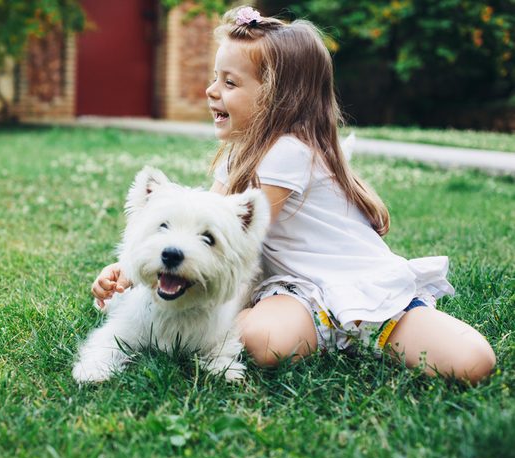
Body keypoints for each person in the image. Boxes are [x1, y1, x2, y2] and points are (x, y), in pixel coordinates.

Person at [91, 6, 496, 384]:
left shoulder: (289, 151)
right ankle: (325, 334)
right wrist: (127, 272)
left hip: (361, 285)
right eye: (216, 77)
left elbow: (232, 242)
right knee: (264, 343)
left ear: (276, 96)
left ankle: (367, 331)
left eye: (229, 82)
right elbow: (199, 224)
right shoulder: (237, 156)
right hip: (300, 294)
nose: (212, 91)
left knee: (474, 362)